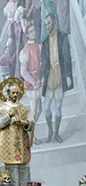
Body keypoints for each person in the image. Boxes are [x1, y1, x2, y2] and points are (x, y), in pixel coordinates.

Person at [41, 13, 72, 143]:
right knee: (47, 108)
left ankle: (57, 134)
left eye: (49, 23)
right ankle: (50, 131)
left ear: (54, 21)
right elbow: (44, 62)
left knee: (58, 107)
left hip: (60, 76)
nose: (47, 26)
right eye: (46, 24)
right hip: (49, 78)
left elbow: (67, 58)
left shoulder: (63, 37)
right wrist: (43, 77)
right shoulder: (45, 42)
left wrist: (68, 75)